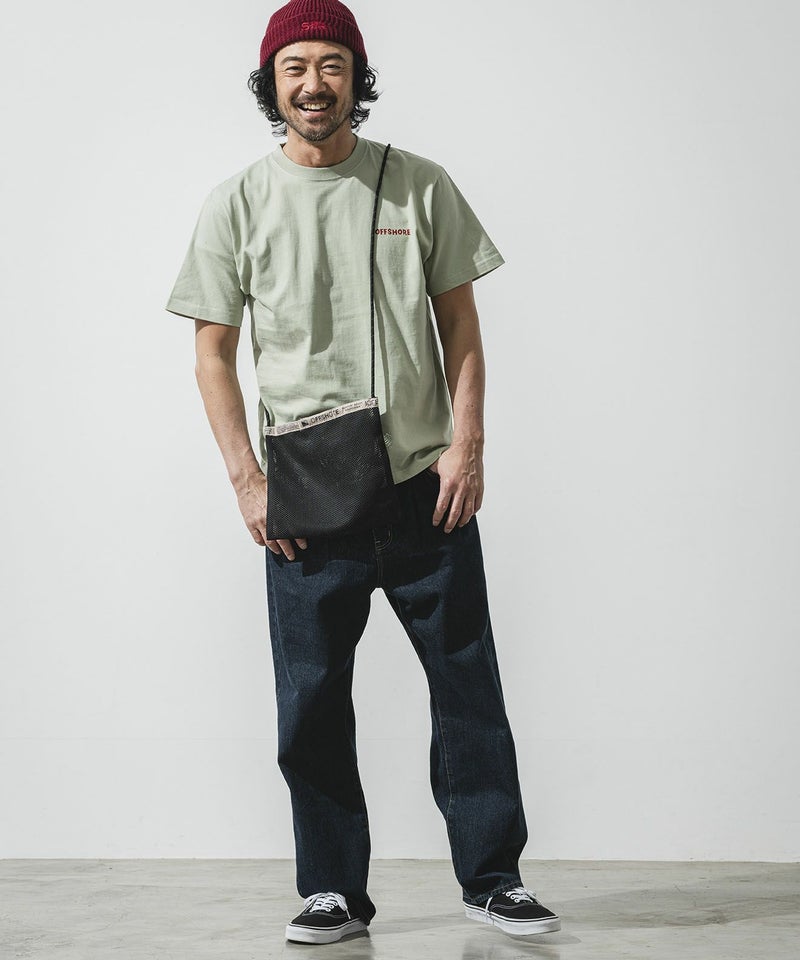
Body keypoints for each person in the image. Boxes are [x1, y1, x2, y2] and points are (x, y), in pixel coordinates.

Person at [165, 0, 561, 945]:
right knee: (310, 701)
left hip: (425, 484)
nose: (314, 84)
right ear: (272, 84)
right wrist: (248, 483)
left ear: (357, 79)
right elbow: (211, 352)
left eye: (332, 64)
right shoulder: (236, 203)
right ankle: (332, 890)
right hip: (305, 492)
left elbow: (461, 326)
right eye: (295, 67)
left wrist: (468, 445)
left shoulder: (418, 185)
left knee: (468, 690)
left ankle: (494, 879)